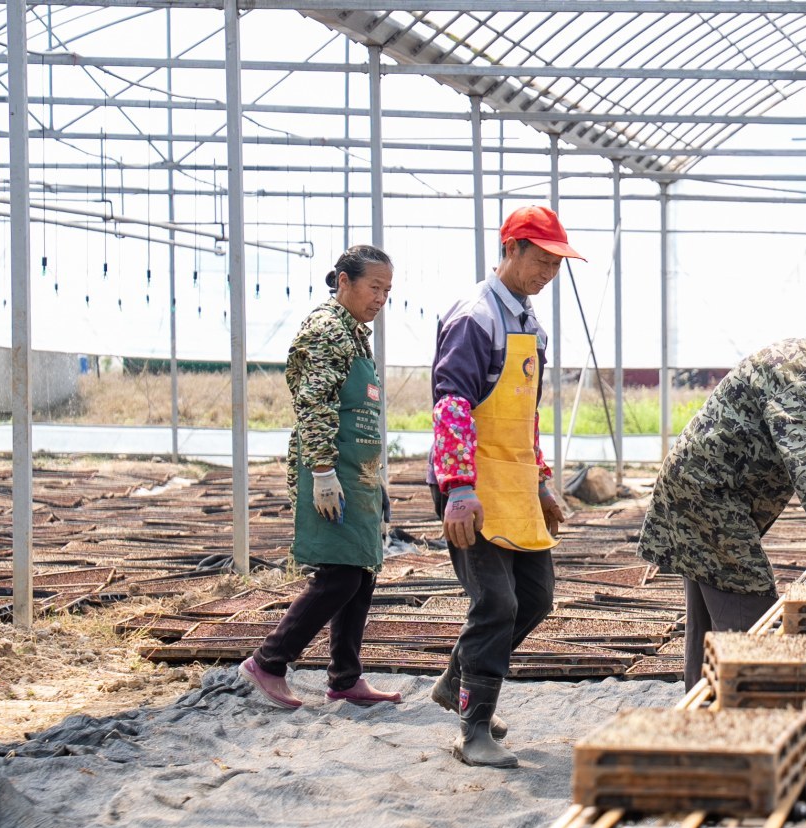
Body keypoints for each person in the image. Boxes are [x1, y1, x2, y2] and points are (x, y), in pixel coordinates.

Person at [638, 304, 806, 688]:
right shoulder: (796, 371)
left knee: (709, 622)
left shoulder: (805, 362)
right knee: (750, 613)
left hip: (703, 493)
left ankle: (703, 720)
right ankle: (744, 721)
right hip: (709, 499)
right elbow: (805, 456)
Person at [428, 206, 582, 767]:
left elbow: (526, 416)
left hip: (514, 480)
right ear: (512, 248)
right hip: (472, 482)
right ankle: (474, 730)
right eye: (541, 260)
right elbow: (453, 406)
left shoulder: (527, 323)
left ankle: (455, 681)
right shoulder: (477, 316)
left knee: (535, 598)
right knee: (495, 600)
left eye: (556, 264)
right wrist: (459, 488)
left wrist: (542, 481)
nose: (548, 273)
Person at [240, 245, 400, 710]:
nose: (381, 299)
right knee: (339, 575)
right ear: (344, 282)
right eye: (374, 287)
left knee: (362, 571)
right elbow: (314, 405)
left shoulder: (354, 334)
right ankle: (269, 661)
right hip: (330, 469)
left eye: (387, 290)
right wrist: (324, 473)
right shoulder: (327, 330)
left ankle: (346, 677)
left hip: (358, 471)